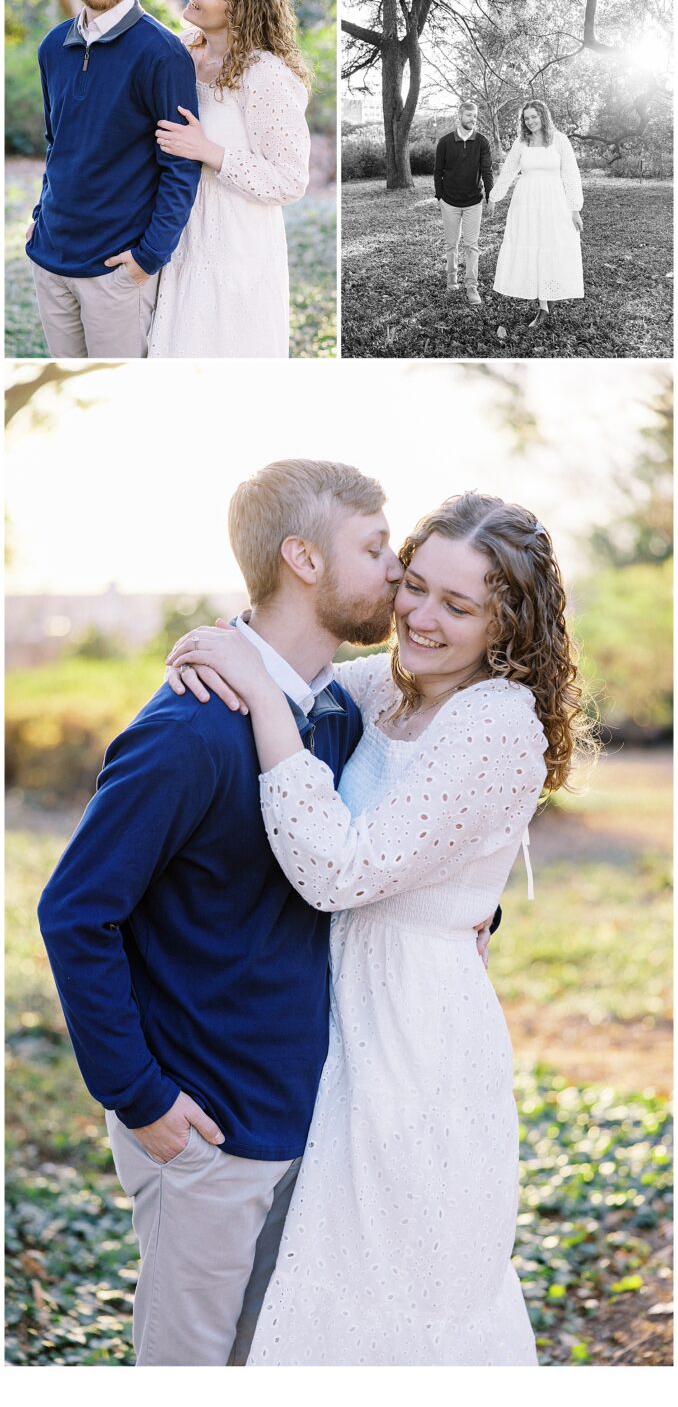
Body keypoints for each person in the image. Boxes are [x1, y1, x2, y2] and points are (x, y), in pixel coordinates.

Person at [167, 489, 582, 1367]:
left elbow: (341, 870)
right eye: (415, 585)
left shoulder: (495, 721)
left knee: (398, 1282)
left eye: (458, 606)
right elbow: (284, 663)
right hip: (340, 1009)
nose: (421, 618)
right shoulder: (383, 688)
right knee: (323, 1267)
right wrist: (217, 649)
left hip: (417, 1034)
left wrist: (265, 702)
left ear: (509, 624)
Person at [26, 0, 201, 359]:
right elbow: (57, 143)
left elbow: (181, 168)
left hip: (115, 272)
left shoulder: (162, 55)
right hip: (49, 258)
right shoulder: (52, 46)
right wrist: (39, 218)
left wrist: (148, 259)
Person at [148, 0, 311, 359]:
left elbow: (291, 179)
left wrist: (210, 151)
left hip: (236, 246)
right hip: (176, 230)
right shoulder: (180, 50)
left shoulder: (266, 75)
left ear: (237, 9)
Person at [488, 98, 584, 325]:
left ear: (543, 116)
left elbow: (571, 174)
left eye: (534, 116)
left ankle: (550, 296)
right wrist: (494, 197)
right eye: (526, 118)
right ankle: (543, 305)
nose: (530, 122)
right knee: (533, 246)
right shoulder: (522, 142)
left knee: (551, 245)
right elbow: (509, 171)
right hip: (527, 202)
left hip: (554, 202)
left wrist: (575, 208)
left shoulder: (560, 141)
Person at [434, 94, 494, 310]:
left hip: (473, 202)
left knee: (471, 246)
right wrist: (439, 197)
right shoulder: (445, 142)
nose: (473, 119)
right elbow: (437, 171)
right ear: (459, 116)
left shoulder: (482, 142)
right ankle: (452, 279)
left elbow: (487, 171)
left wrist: (490, 196)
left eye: (475, 116)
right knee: (452, 245)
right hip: (449, 202)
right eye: (469, 115)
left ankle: (471, 286)